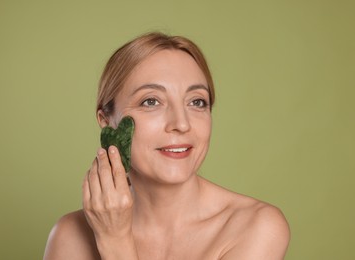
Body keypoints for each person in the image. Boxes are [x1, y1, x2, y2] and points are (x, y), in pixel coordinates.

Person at [43, 32, 290, 260]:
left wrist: (115, 243)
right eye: (151, 101)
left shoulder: (255, 226)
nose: (181, 124)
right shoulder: (70, 237)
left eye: (197, 102)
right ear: (107, 121)